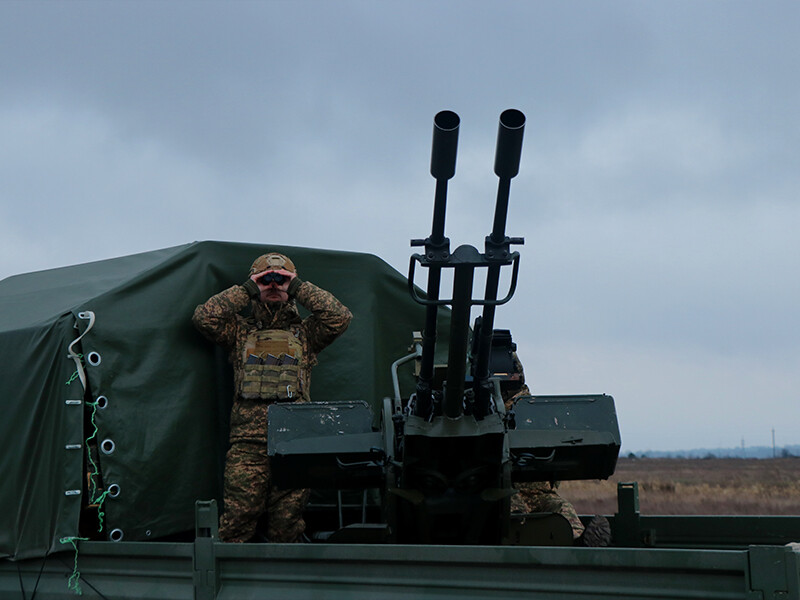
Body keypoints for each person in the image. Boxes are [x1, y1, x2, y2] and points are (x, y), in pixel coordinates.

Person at [193, 252, 352, 543]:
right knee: (237, 523)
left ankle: (285, 584)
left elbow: (339, 317)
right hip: (248, 445)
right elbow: (205, 317)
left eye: (281, 280)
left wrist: (298, 286)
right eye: (268, 279)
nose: (274, 285)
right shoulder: (239, 332)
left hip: (294, 442)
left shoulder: (305, 334)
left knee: (287, 526)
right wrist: (249, 288)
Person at [502, 353, 611, 546]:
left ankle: (580, 543)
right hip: (505, 492)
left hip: (540, 493)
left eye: (511, 374)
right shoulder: (486, 412)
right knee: (515, 516)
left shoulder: (532, 410)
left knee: (562, 511)